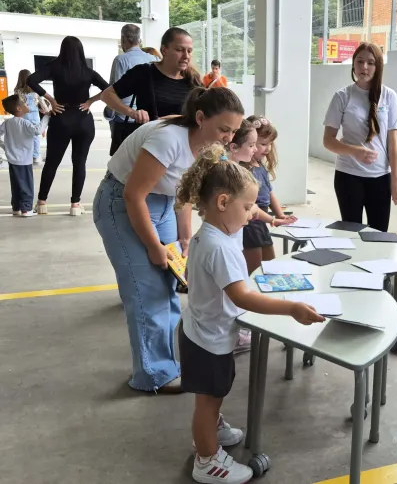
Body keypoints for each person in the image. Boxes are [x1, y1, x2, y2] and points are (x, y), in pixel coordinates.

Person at [175, 143, 324, 484]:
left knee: (214, 395)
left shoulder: (217, 228)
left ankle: (210, 433)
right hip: (207, 339)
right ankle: (207, 460)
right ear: (223, 203)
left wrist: (261, 212)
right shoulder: (218, 247)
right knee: (207, 402)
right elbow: (242, 296)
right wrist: (291, 308)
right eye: (245, 207)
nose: (250, 214)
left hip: (204, 331)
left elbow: (250, 213)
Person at [93, 87, 244, 394]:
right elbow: (133, 194)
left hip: (162, 203)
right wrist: (153, 246)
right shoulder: (169, 139)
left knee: (170, 286)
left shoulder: (208, 145)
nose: (229, 138)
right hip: (123, 204)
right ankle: (153, 376)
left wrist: (184, 239)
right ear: (200, 118)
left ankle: (166, 362)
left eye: (234, 131)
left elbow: (184, 193)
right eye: (224, 129)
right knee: (146, 290)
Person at [323, 42, 397, 232]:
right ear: (353, 64)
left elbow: (393, 143)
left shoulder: (389, 96)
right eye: (360, 62)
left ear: (378, 67)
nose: (364, 67)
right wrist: (354, 151)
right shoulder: (342, 96)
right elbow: (328, 141)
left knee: (378, 234)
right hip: (348, 176)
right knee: (351, 234)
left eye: (371, 62)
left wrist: (396, 179)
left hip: (380, 177)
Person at [27, 36, 110, 217]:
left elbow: (31, 80)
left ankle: (42, 202)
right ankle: (75, 204)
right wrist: (90, 102)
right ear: (80, 52)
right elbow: (109, 88)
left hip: (61, 117)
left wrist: (51, 100)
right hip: (83, 120)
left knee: (52, 162)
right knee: (79, 163)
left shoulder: (54, 68)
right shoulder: (88, 72)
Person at [101, 27, 202, 154]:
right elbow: (107, 95)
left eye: (189, 51)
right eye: (179, 50)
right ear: (164, 50)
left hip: (183, 150)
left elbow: (205, 116)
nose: (186, 56)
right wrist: (132, 112)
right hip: (151, 148)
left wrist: (176, 118)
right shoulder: (144, 73)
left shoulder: (193, 80)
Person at [240, 116, 296, 275]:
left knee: (270, 265)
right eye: (263, 144)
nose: (268, 148)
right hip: (251, 221)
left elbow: (270, 193)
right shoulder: (243, 169)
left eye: (270, 144)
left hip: (262, 221)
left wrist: (280, 215)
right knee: (254, 269)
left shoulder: (260, 166)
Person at [106, 24, 158, 156]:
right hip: (148, 119)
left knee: (121, 159)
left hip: (124, 117)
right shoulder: (154, 59)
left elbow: (114, 92)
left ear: (123, 39)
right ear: (139, 40)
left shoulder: (120, 60)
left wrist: (109, 114)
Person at [0, 95, 41, 217]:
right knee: (26, 185)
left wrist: (4, 146)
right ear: (19, 108)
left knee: (16, 184)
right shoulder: (25, 123)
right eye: (25, 103)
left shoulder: (7, 123)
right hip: (24, 161)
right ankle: (27, 209)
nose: (27, 105)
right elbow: (37, 131)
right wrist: (47, 118)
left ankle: (16, 207)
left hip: (12, 160)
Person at [13, 69, 48, 165]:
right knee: (35, 137)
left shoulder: (17, 91)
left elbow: (17, 105)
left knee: (24, 136)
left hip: (23, 116)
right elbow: (43, 104)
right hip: (35, 117)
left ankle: (26, 155)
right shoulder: (35, 90)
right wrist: (46, 113)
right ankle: (35, 156)